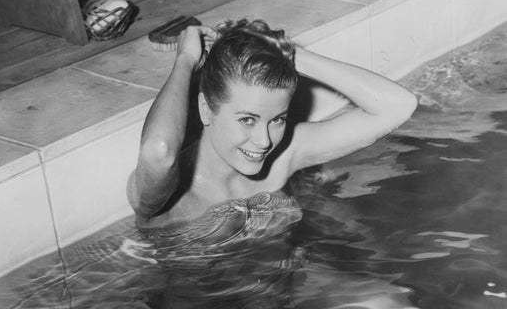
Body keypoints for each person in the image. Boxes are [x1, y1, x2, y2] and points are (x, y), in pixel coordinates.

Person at [127, 18, 418, 229]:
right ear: (206, 110)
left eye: (277, 119)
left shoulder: (285, 156)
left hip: (285, 289)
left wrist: (288, 53)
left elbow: (397, 107)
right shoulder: (167, 192)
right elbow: (159, 149)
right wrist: (186, 60)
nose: (264, 140)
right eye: (247, 120)